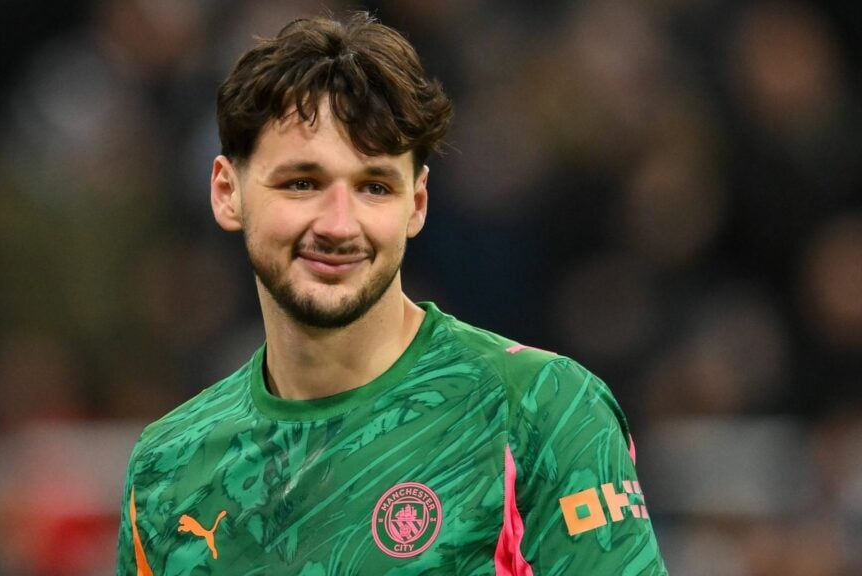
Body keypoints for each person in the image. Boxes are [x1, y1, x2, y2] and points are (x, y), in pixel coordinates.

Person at [117, 12, 668, 575]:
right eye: (302, 183)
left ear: (417, 203)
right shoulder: (168, 470)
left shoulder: (541, 409)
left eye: (374, 187)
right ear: (227, 192)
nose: (337, 224)